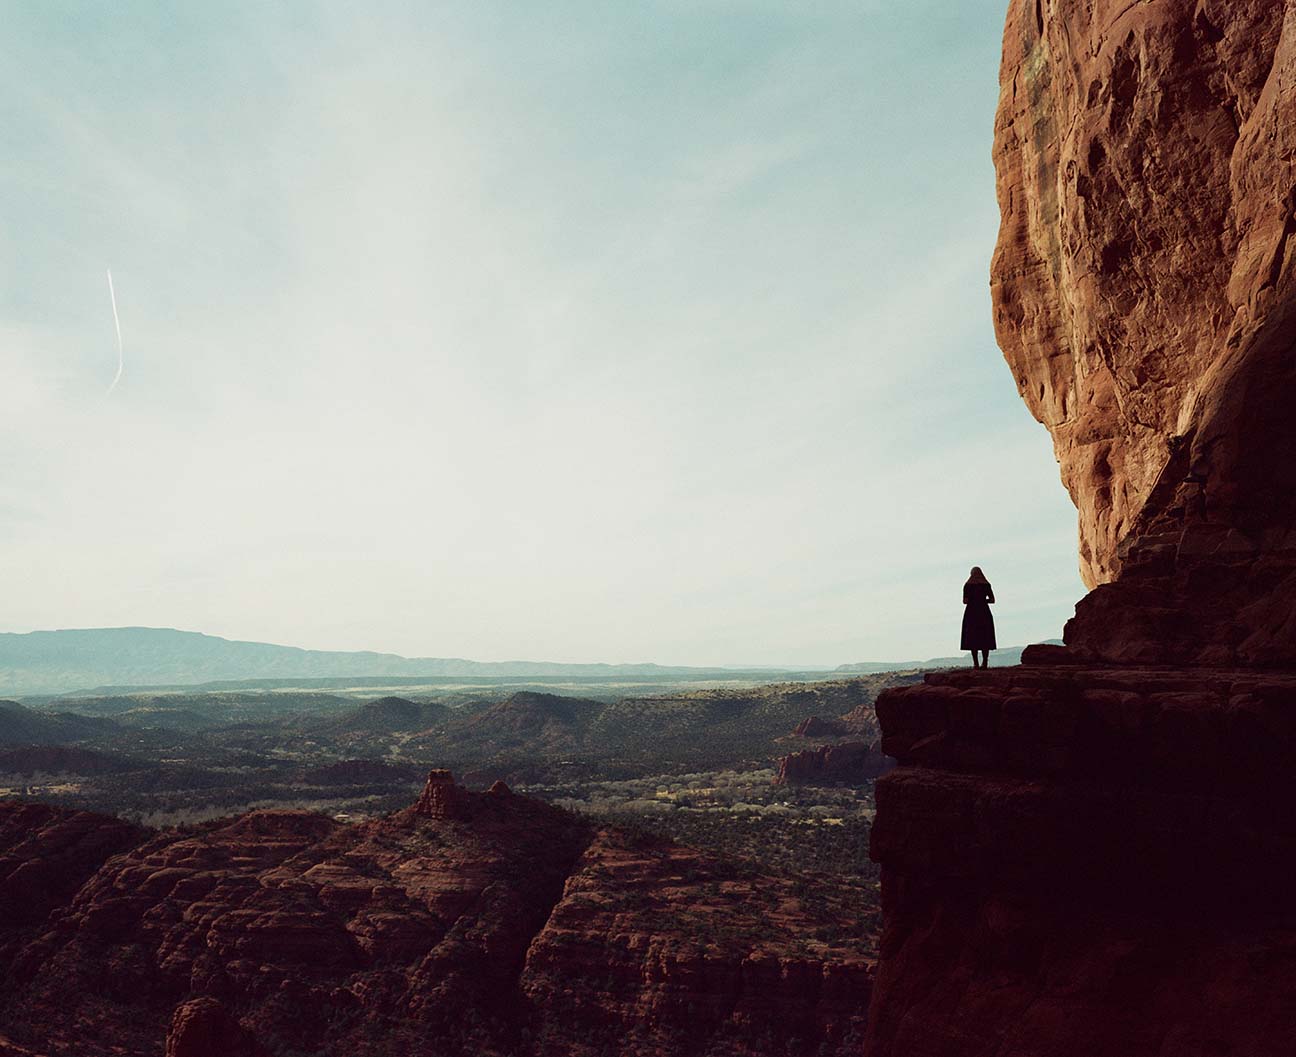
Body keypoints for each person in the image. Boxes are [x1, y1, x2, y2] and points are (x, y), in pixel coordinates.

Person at [961, 566, 996, 668]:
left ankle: (975, 663)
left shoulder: (967, 585)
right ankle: (985, 662)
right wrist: (982, 601)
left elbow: (965, 601)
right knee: (985, 637)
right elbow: (992, 600)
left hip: (971, 613)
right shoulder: (986, 585)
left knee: (973, 638)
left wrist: (974, 600)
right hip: (984, 612)